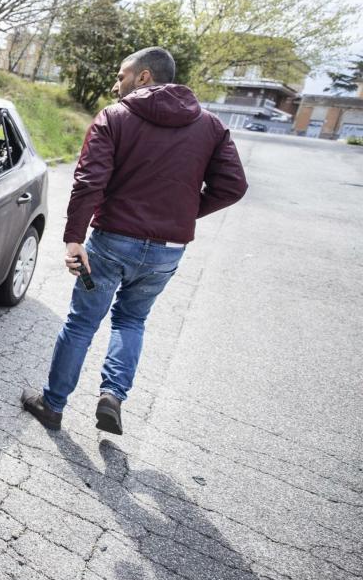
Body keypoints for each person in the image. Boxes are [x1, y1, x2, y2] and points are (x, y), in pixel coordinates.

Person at [21, 47, 248, 434]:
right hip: (167, 250)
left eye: (122, 75)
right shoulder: (210, 125)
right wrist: (182, 214)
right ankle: (113, 395)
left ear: (144, 77)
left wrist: (74, 239)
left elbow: (89, 181)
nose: (116, 84)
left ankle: (53, 405)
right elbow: (234, 186)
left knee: (81, 323)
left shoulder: (116, 116)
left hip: (112, 241)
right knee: (131, 320)